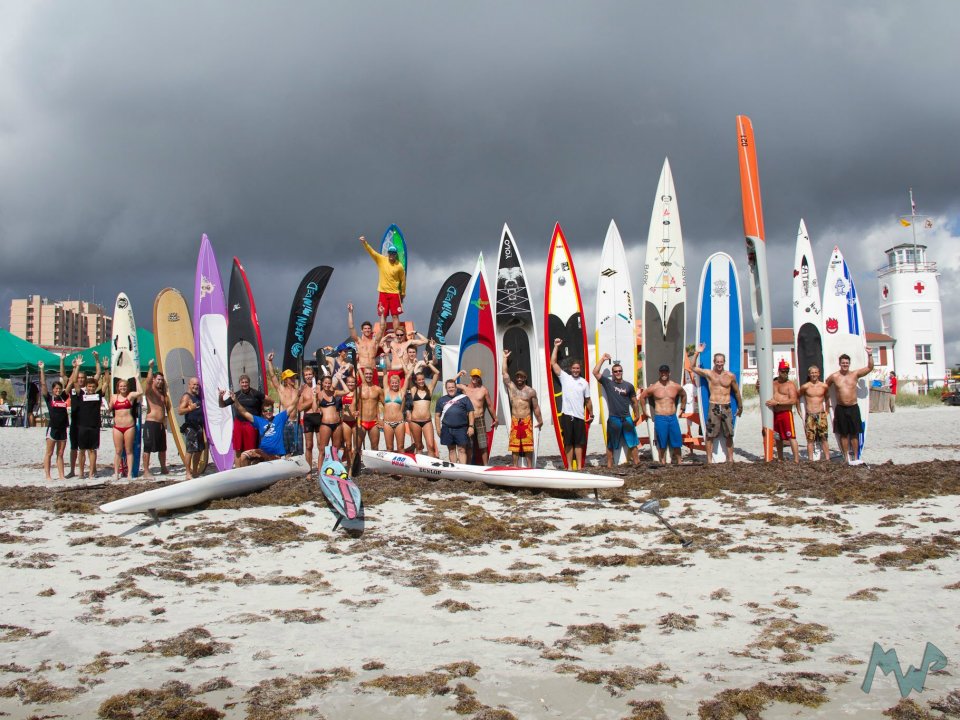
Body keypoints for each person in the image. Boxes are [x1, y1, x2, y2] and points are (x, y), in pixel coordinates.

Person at [689, 344, 743, 464]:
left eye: (721, 362)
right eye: (717, 362)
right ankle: (709, 460)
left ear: (724, 362)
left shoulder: (730, 376)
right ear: (714, 362)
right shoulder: (709, 374)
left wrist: (740, 407)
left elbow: (737, 392)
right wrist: (697, 352)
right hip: (714, 406)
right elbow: (692, 367)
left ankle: (730, 459)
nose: (719, 364)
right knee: (710, 435)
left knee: (729, 434)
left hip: (726, 406)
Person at [825, 347, 874, 465]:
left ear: (849, 364)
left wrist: (870, 355)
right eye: (843, 363)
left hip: (853, 407)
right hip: (841, 408)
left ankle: (856, 457)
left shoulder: (855, 374)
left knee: (854, 433)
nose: (845, 365)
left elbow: (870, 368)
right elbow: (824, 386)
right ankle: (846, 457)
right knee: (843, 434)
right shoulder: (834, 376)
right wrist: (827, 401)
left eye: (847, 363)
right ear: (839, 363)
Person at [550, 338, 592, 469]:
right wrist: (556, 346)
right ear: (570, 369)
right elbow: (553, 363)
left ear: (580, 369)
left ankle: (579, 467)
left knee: (579, 443)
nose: (575, 370)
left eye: (577, 368)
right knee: (568, 442)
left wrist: (592, 414)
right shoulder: (565, 378)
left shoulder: (584, 383)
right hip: (567, 415)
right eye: (573, 368)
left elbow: (588, 400)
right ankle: (569, 467)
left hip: (579, 416)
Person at [593, 353, 641, 468]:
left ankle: (637, 463)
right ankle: (610, 465)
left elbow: (634, 401)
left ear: (622, 371)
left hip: (627, 418)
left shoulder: (629, 386)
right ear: (613, 373)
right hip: (614, 418)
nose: (618, 373)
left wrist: (637, 414)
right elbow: (595, 372)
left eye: (619, 371)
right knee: (611, 443)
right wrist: (603, 359)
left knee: (633, 442)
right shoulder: (608, 383)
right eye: (615, 371)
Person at [501, 350, 543, 467]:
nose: (519, 379)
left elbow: (536, 407)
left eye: (522, 377)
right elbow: (504, 373)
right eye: (518, 377)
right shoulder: (512, 388)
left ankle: (529, 467)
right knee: (514, 445)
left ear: (525, 378)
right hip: (515, 420)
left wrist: (540, 420)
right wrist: (504, 358)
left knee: (528, 445)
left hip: (526, 420)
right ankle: (515, 466)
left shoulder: (530, 391)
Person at [228, 393, 290, 466]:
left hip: (275, 454)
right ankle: (246, 475)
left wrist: (298, 396)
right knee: (243, 456)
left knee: (259, 459)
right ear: (262, 413)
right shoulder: (259, 420)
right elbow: (244, 412)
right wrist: (235, 400)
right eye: (265, 411)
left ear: (273, 411)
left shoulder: (279, 418)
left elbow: (291, 407)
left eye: (270, 410)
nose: (268, 412)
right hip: (262, 452)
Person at [360, 235, 406, 334]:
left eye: (393, 253)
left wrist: (402, 294)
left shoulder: (399, 266)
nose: (391, 255)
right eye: (390, 253)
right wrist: (365, 243)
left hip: (394, 293)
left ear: (395, 254)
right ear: (388, 253)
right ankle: (382, 335)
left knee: (395, 315)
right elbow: (372, 252)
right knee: (383, 315)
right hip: (383, 292)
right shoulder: (381, 260)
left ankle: (396, 335)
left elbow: (403, 281)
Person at [66, 353, 101, 478]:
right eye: (79, 378)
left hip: (90, 423)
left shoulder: (91, 390)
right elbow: (71, 380)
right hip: (76, 422)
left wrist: (97, 360)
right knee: (76, 448)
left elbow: (98, 375)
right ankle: (73, 471)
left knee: (91, 449)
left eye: (83, 378)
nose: (80, 379)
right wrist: (76, 367)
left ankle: (93, 470)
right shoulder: (76, 390)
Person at [644, 364, 686, 466]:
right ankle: (662, 461)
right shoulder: (654, 387)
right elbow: (642, 396)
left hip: (672, 417)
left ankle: (679, 461)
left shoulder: (675, 386)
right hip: (660, 417)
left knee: (676, 441)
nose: (664, 374)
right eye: (662, 372)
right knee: (662, 442)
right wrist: (645, 411)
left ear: (669, 373)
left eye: (666, 372)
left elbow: (684, 394)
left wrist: (683, 407)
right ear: (659, 373)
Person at [218, 373, 265, 464]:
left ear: (249, 383)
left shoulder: (255, 393)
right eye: (242, 382)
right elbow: (222, 405)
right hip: (239, 423)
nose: (244, 384)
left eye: (246, 382)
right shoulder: (236, 395)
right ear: (239, 383)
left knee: (250, 449)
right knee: (237, 448)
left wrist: (264, 413)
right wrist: (220, 397)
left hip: (251, 424)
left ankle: (249, 468)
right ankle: (238, 469)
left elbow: (268, 400)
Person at [455, 368, 498, 465]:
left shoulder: (483, 390)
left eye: (477, 377)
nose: (475, 378)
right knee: (469, 445)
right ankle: (469, 465)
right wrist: (459, 374)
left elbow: (490, 405)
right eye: (473, 376)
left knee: (483, 445)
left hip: (480, 419)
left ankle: (485, 466)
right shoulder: (464, 388)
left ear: (479, 378)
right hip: (467, 420)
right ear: (470, 376)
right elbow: (450, 384)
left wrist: (495, 418)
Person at [266, 352, 304, 459]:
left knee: (298, 450)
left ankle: (297, 473)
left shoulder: (297, 390)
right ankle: (288, 471)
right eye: (290, 377)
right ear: (286, 380)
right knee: (286, 450)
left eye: (293, 377)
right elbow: (273, 377)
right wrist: (270, 362)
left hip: (296, 422)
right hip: (286, 422)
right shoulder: (281, 389)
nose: (293, 379)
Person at [38, 360, 69, 480]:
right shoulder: (49, 398)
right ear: (53, 389)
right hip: (53, 429)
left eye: (59, 388)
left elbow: (68, 381)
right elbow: (43, 384)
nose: (58, 390)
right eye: (56, 389)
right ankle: (48, 475)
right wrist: (42, 369)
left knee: (60, 454)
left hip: (63, 429)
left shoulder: (63, 397)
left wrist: (62, 361)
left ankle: (61, 475)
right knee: (49, 453)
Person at [109, 376, 143, 480]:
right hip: (117, 427)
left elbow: (141, 392)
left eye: (124, 386)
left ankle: (129, 473)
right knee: (118, 451)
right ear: (118, 387)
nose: (123, 388)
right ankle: (116, 473)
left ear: (127, 387)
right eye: (121, 386)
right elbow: (110, 408)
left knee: (129, 450)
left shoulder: (130, 396)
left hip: (129, 426)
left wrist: (137, 379)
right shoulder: (114, 397)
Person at [767, 360, 801, 464]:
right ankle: (780, 458)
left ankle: (796, 460)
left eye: (787, 371)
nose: (785, 373)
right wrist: (758, 386)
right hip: (775, 414)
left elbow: (793, 400)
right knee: (777, 437)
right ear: (778, 371)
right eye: (783, 371)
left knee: (791, 436)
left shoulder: (790, 385)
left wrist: (777, 403)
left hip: (786, 413)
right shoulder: (773, 383)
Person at [435, 379, 475, 463]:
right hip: (446, 429)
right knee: (451, 450)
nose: (451, 389)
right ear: (446, 389)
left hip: (461, 428)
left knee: (462, 450)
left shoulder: (464, 398)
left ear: (456, 388)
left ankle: (462, 470)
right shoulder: (441, 400)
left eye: (453, 387)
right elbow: (437, 416)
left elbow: (471, 412)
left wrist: (471, 426)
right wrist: (438, 429)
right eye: (449, 387)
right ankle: (454, 470)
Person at [406, 361, 441, 457]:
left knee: (430, 446)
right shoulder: (413, 390)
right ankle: (419, 469)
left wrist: (428, 363)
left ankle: (432, 468)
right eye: (419, 380)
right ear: (416, 381)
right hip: (415, 421)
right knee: (418, 446)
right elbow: (408, 377)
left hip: (427, 421)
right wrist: (413, 365)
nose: (421, 381)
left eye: (422, 379)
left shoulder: (429, 389)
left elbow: (437, 373)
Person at [141, 360, 170, 477]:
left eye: (162, 380)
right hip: (151, 423)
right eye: (158, 379)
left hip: (161, 424)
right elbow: (147, 382)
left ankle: (163, 468)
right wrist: (151, 368)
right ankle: (146, 471)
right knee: (147, 448)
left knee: (162, 448)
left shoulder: (162, 393)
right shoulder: (150, 392)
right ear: (154, 379)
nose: (160, 381)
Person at [798, 365, 831, 463]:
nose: (814, 374)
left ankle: (827, 458)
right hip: (810, 416)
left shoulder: (824, 386)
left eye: (815, 372)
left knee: (824, 437)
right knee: (810, 439)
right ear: (809, 374)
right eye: (812, 373)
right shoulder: (805, 386)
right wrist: (799, 410)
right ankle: (810, 459)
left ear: (819, 373)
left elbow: (827, 397)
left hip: (821, 414)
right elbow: (797, 396)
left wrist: (827, 410)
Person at [347, 303, 386, 381]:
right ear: (362, 330)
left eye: (369, 328)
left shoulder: (375, 341)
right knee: (361, 392)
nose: (367, 330)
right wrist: (350, 312)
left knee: (375, 392)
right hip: (362, 369)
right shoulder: (358, 341)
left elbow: (382, 328)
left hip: (373, 369)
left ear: (371, 330)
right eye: (365, 328)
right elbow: (351, 327)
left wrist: (382, 314)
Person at [177, 377, 206, 480]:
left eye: (197, 385)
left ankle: (195, 471)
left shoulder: (197, 396)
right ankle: (188, 473)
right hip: (191, 427)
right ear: (189, 385)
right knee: (190, 450)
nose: (195, 386)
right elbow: (180, 411)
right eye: (193, 384)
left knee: (199, 450)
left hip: (199, 426)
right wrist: (190, 408)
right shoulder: (186, 397)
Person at [382, 371, 411, 452]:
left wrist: (413, 365)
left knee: (401, 447)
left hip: (399, 422)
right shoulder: (386, 391)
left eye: (396, 383)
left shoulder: (401, 392)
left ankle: (401, 464)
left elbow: (407, 377)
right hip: (387, 423)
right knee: (389, 448)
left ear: (399, 383)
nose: (394, 384)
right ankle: (388, 465)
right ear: (390, 383)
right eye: (392, 383)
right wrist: (385, 358)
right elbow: (385, 374)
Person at [357, 366, 385, 451]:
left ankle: (374, 464)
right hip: (361, 422)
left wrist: (381, 418)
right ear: (364, 375)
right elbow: (353, 404)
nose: (368, 375)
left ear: (373, 375)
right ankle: (356, 464)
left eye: (370, 374)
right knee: (357, 448)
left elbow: (385, 405)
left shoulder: (378, 389)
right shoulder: (359, 389)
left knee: (375, 448)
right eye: (366, 374)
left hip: (374, 423)